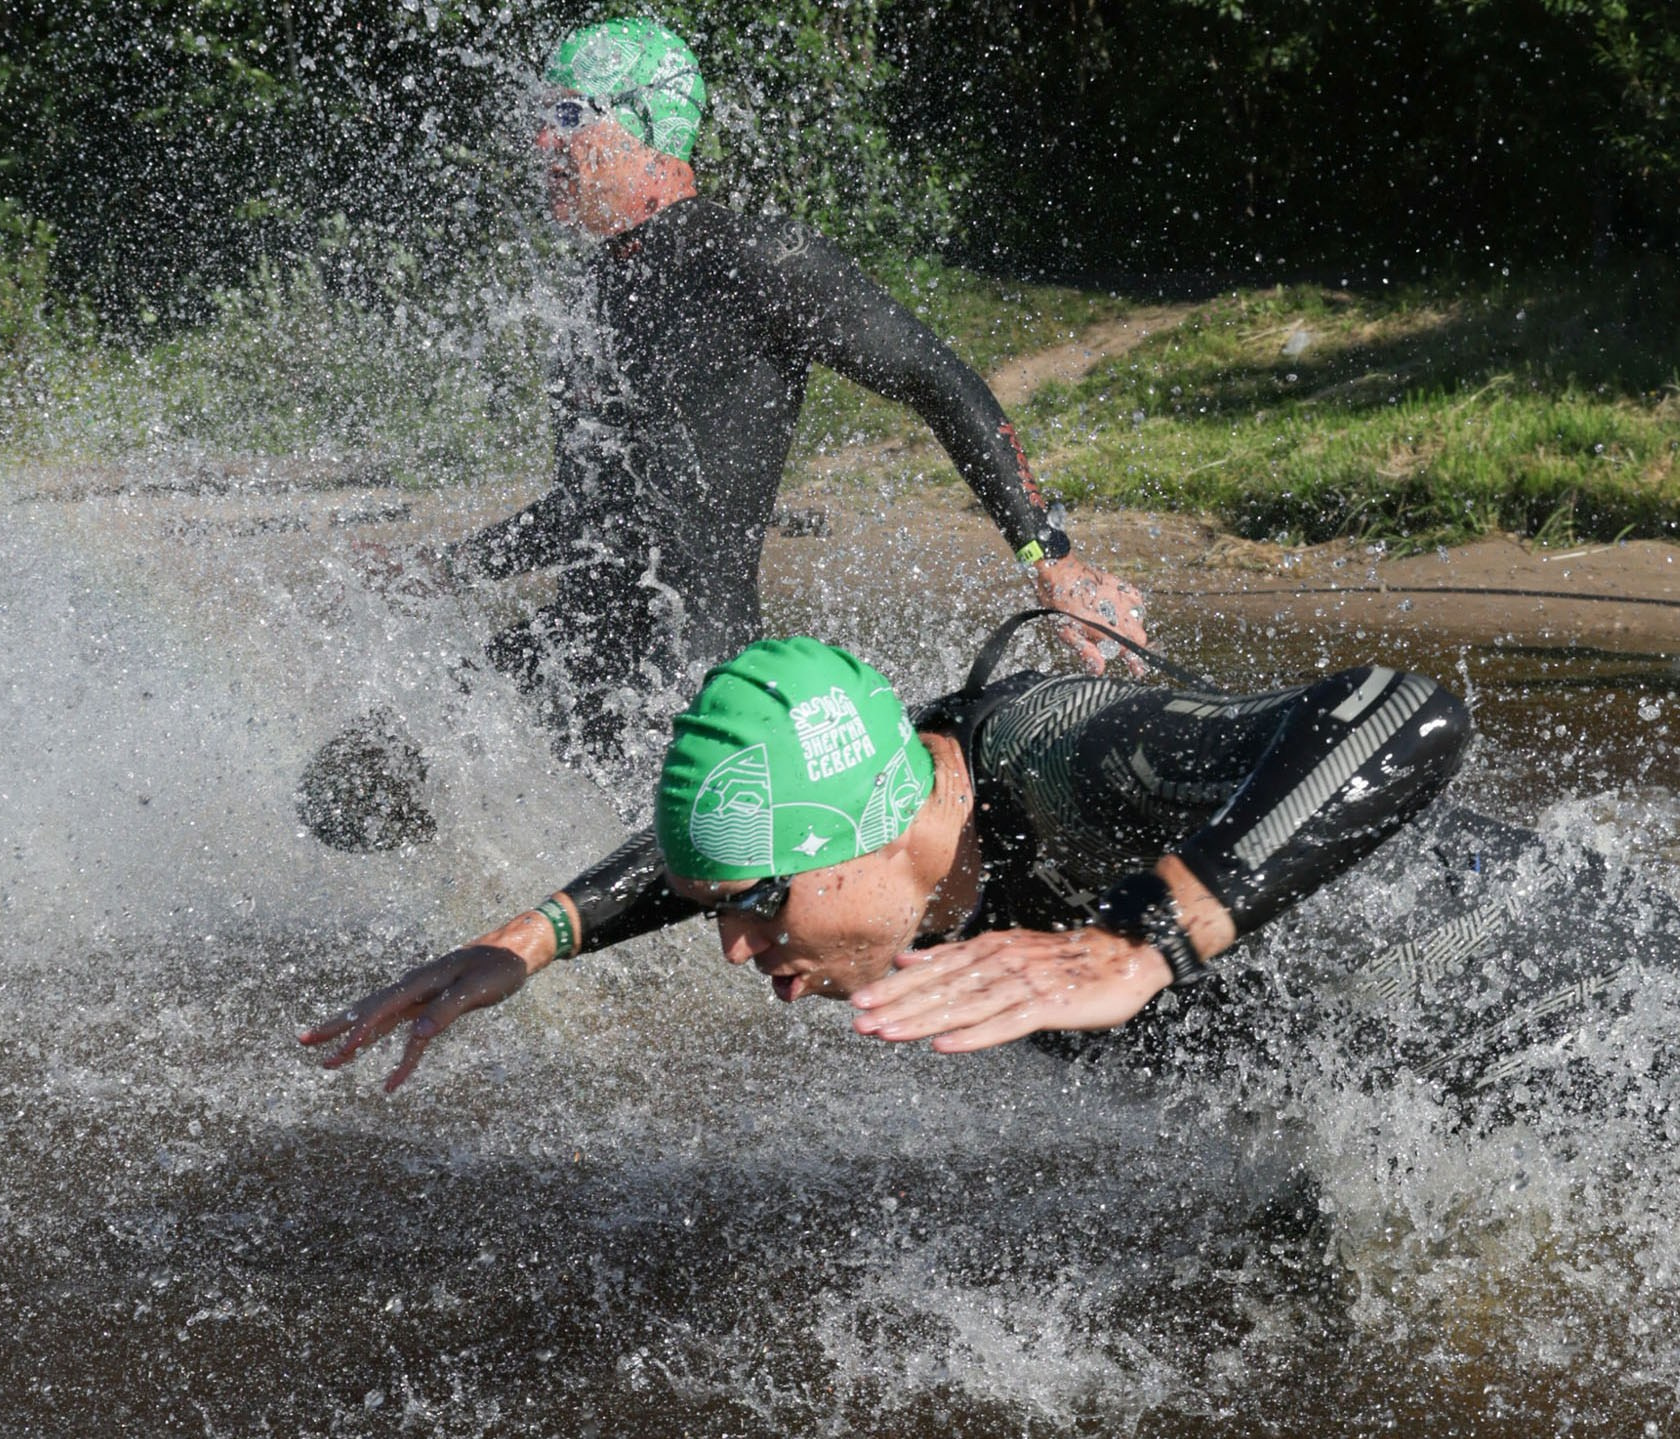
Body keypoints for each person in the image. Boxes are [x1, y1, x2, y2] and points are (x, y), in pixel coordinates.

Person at [358, 17, 1147, 760]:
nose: (542, 141)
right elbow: (599, 510)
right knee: (350, 780)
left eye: (568, 116)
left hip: (691, 690)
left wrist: (1051, 556)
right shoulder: (591, 294)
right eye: (541, 118)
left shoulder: (755, 261)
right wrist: (448, 567)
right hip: (575, 658)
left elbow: (940, 383)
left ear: (647, 126)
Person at [301, 622, 1473, 1092]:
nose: (735, 946)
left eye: (754, 905)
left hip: (1524, 980)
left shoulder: (1059, 762)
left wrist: (1135, 940)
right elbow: (727, 852)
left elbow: (1404, 710)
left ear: (864, 834)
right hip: (1382, 1091)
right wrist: (533, 936)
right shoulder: (879, 812)